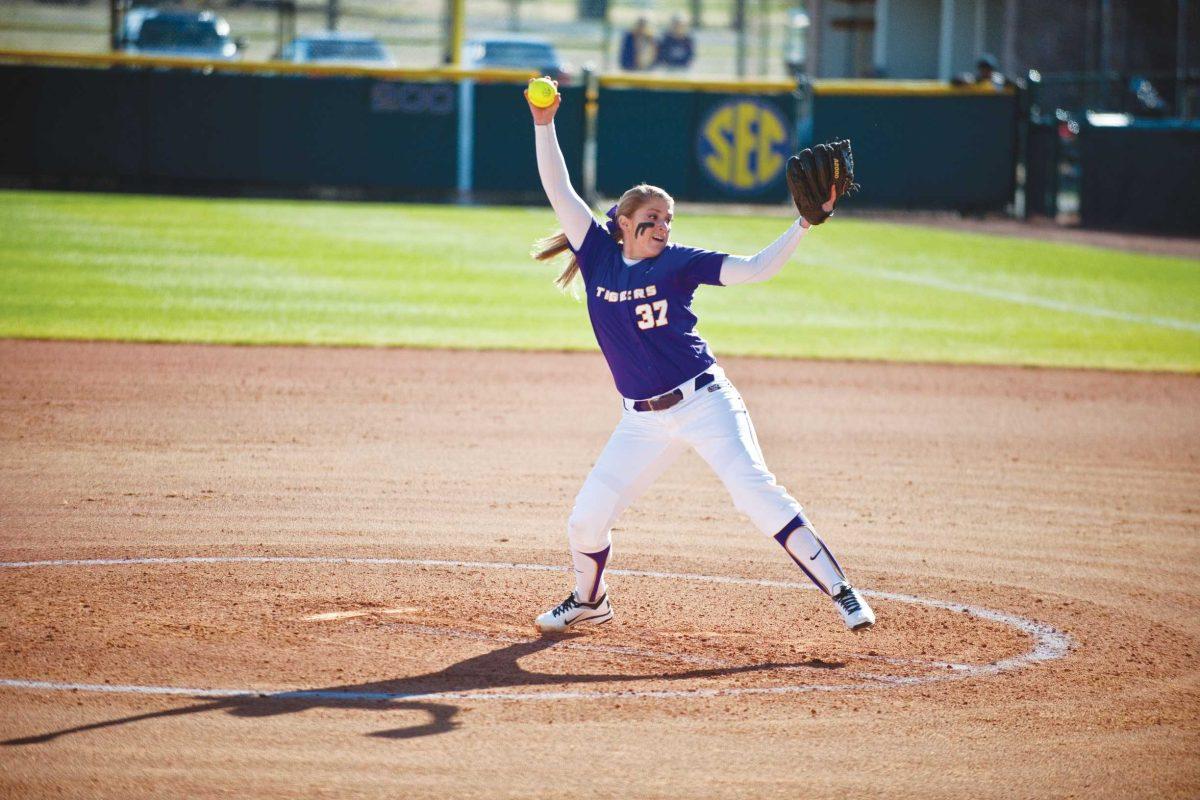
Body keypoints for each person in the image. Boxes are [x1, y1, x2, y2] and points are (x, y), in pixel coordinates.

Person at [523, 79, 876, 636]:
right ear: (623, 223)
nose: (663, 227)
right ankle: (590, 600)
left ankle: (844, 593)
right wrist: (544, 122)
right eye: (654, 218)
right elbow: (559, 188)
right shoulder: (596, 255)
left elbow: (755, 268)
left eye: (668, 220)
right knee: (586, 519)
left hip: (705, 403)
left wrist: (802, 224)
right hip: (640, 422)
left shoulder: (681, 263)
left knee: (754, 494)